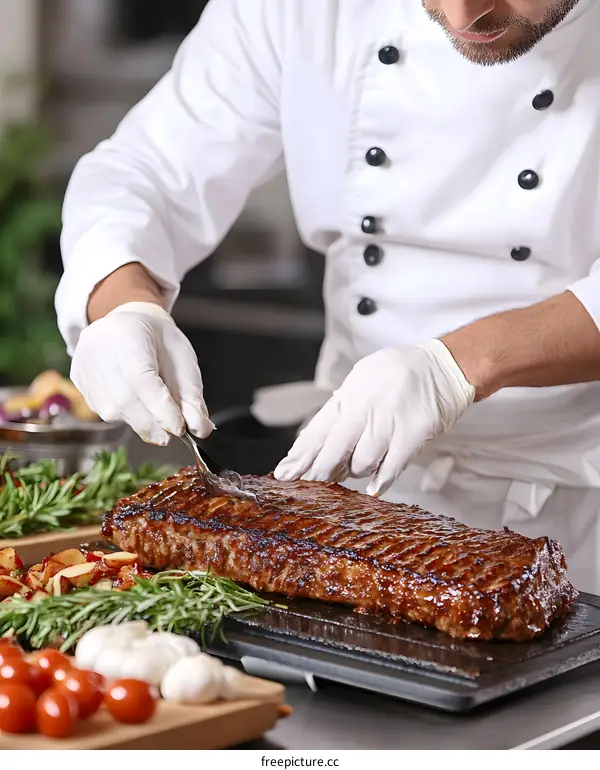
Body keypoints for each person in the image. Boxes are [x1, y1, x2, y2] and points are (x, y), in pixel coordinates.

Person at [56, 0, 600, 591]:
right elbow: (147, 169)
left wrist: (456, 366)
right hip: (348, 498)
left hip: (582, 493)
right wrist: (123, 303)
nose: (466, 15)